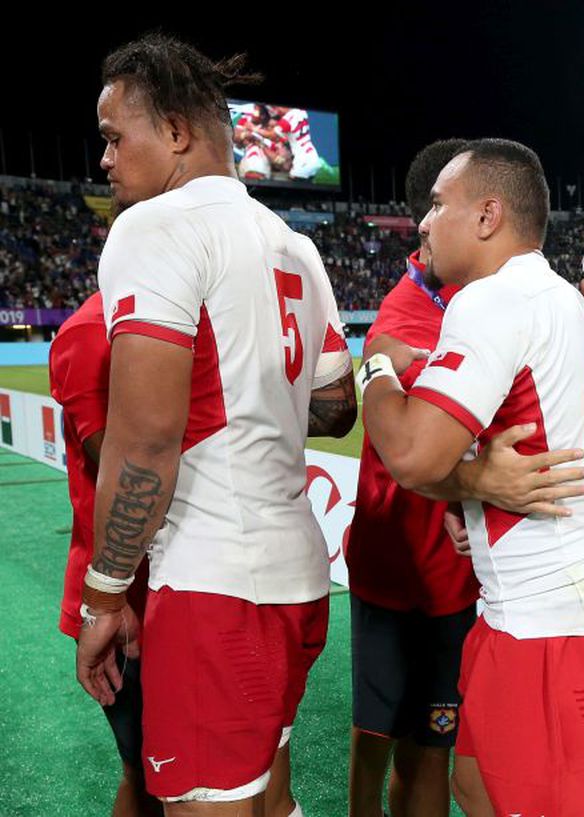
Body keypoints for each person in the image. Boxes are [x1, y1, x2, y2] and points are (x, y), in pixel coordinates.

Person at [76, 34, 356, 815]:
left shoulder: (156, 228)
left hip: (213, 583)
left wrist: (103, 600)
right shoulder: (295, 245)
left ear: (175, 132)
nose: (104, 159)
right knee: (270, 797)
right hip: (299, 576)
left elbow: (145, 439)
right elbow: (338, 408)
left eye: (111, 135)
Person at [359, 138, 584, 816]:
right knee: (474, 787)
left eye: (437, 205)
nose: (424, 223)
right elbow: (461, 467)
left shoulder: (495, 301)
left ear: (488, 214)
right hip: (525, 614)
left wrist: (374, 363)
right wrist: (474, 487)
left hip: (562, 627)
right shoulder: (561, 302)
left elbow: (411, 455)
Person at [345, 139, 478, 817]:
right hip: (394, 573)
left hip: (455, 582)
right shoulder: (398, 323)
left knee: (432, 746)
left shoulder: (481, 304)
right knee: (376, 739)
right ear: (433, 216)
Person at [50, 291, 159, 817]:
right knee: (148, 775)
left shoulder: (170, 316)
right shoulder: (89, 331)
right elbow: (121, 468)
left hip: (181, 589)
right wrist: (110, 598)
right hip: (123, 601)